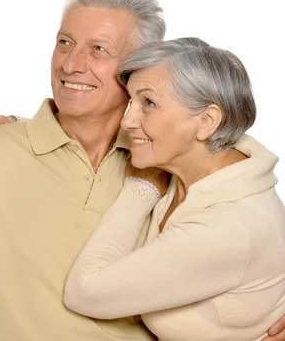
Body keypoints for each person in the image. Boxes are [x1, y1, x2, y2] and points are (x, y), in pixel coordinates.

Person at [0, 0, 285, 340]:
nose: (72, 63)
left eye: (98, 50)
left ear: (140, 67)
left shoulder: (173, 159)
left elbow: (251, 230)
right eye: (64, 42)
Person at [64, 37, 285, 340]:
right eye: (130, 102)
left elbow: (84, 292)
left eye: (148, 103)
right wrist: (14, 131)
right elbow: (92, 135)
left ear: (208, 121)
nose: (127, 121)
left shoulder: (227, 229)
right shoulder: (195, 163)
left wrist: (139, 190)